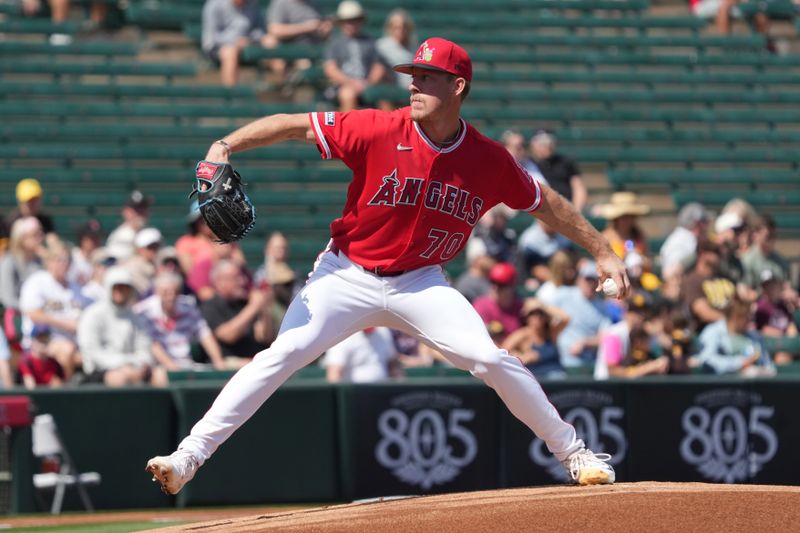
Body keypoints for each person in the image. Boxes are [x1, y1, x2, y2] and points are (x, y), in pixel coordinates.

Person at [146, 37, 629, 495]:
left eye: (427, 76)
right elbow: (295, 123)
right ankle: (188, 458)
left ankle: (576, 454)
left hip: (420, 283)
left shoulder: (488, 160)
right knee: (282, 355)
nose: (414, 84)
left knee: (488, 358)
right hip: (346, 273)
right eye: (412, 75)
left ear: (457, 86)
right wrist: (224, 145)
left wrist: (603, 251)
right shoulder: (378, 126)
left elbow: (546, 204)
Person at [78, 267, 164, 386]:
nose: (120, 292)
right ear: (109, 288)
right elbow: (93, 353)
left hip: (133, 367)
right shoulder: (92, 315)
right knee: (118, 379)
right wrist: (123, 366)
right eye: (117, 288)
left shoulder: (136, 319)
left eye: (124, 288)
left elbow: (145, 349)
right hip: (100, 371)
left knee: (160, 375)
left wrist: (137, 366)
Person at [135, 272, 227, 372]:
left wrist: (218, 362)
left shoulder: (189, 307)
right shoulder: (145, 312)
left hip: (187, 364)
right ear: (157, 292)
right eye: (165, 292)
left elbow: (205, 335)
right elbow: (152, 344)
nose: (171, 296)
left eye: (175, 292)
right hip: (158, 366)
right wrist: (172, 368)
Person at [19, 241, 85, 380]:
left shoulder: (75, 287)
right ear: (49, 261)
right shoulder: (38, 281)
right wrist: (65, 324)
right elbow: (33, 313)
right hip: (42, 341)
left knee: (86, 356)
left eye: (68, 260)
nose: (64, 263)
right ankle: (65, 395)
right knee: (66, 351)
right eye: (59, 259)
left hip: (75, 343)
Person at [199, 260, 276, 359]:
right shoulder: (210, 306)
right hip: (228, 365)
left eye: (242, 277)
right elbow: (228, 335)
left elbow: (265, 337)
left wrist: (264, 309)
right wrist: (254, 306)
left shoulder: (245, 302)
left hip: (254, 360)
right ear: (220, 281)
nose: (242, 281)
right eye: (236, 278)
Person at [322, 1, 386, 112]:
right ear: (341, 23)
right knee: (348, 94)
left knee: (385, 97)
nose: (351, 24)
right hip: (342, 86)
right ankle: (347, 129)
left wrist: (368, 83)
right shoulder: (335, 43)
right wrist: (351, 83)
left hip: (366, 84)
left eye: (354, 20)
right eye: (347, 21)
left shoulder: (369, 42)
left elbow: (379, 67)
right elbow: (330, 69)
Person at [548, 260, 611, 369]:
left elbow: (605, 337)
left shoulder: (602, 307)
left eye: (594, 280)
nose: (590, 284)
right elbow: (541, 307)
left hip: (590, 363)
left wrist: (585, 343)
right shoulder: (564, 294)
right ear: (579, 280)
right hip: (560, 360)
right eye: (587, 279)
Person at [595, 293, 668, 379]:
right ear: (626, 313)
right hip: (605, 386)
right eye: (635, 312)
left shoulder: (643, 334)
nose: (640, 316)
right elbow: (612, 370)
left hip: (625, 387)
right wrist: (647, 368)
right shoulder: (615, 334)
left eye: (643, 312)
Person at [697, 297, 775, 376]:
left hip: (752, 384)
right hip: (719, 383)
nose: (750, 320)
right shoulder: (713, 331)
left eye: (751, 316)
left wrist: (757, 371)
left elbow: (768, 366)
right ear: (735, 316)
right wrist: (739, 363)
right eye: (746, 316)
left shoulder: (755, 336)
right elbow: (707, 359)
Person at [263, 0, 332, 84]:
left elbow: (322, 36)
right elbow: (274, 30)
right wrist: (306, 27)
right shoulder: (281, 3)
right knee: (269, 42)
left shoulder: (314, 4)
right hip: (289, 49)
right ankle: (284, 85)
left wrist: (324, 31)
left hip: (311, 49)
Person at [202, 0, 267, 87]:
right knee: (230, 52)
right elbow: (212, 37)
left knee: (270, 42)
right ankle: (231, 95)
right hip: (217, 47)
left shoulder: (253, 4)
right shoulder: (214, 4)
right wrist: (235, 41)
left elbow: (260, 30)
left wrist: (250, 39)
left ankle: (286, 86)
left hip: (248, 44)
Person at [501, 298, 568, 379]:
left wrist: (543, 307)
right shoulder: (522, 334)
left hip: (558, 377)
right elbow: (502, 353)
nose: (537, 317)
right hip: (538, 380)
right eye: (532, 313)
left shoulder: (550, 333)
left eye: (540, 313)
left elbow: (565, 318)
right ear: (526, 316)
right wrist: (522, 357)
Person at [682, 241, 736, 333]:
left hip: (735, 327)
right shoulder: (692, 280)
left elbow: (740, 305)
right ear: (702, 253)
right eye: (715, 251)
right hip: (709, 330)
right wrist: (729, 322)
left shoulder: (725, 278)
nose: (719, 254)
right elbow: (703, 312)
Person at [529, 130, 587, 212]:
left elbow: (578, 188)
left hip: (566, 209)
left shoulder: (565, 162)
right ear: (533, 145)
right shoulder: (528, 164)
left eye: (550, 142)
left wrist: (576, 211)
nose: (547, 146)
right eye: (543, 143)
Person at [322, 326, 401, 383]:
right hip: (354, 394)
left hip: (382, 391)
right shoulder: (343, 335)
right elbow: (334, 374)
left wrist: (400, 384)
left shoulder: (383, 331)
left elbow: (393, 364)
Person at [473, 262, 524, 345]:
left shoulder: (520, 306)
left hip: (516, 354)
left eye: (501, 285)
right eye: (493, 282)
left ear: (511, 286)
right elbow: (480, 341)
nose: (495, 288)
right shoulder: (481, 305)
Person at [755, 270, 798, 364]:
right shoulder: (760, 306)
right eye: (767, 285)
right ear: (763, 288)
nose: (772, 288)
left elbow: (791, 325)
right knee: (782, 357)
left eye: (773, 284)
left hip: (788, 342)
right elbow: (763, 329)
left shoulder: (783, 304)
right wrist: (786, 337)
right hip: (772, 345)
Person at [0, 217, 43, 311]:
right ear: (22, 238)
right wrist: (33, 309)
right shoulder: (9, 262)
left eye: (40, 233)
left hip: (39, 315)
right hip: (16, 316)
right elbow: (7, 299)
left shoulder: (41, 260)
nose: (40, 238)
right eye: (35, 235)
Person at [659, 202, 711, 279]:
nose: (707, 225)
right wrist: (697, 255)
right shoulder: (682, 239)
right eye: (704, 222)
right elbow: (669, 273)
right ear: (697, 223)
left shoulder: (686, 237)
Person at [598, 192, 651, 263]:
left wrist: (639, 258)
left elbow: (648, 262)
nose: (628, 220)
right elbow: (602, 263)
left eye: (631, 216)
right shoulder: (606, 237)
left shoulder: (639, 236)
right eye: (624, 217)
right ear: (616, 218)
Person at [375, 8, 416, 90]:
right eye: (397, 27)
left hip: (410, 87)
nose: (401, 31)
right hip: (389, 88)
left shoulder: (414, 47)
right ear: (390, 28)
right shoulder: (381, 46)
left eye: (404, 27)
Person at [5, 178, 56, 243]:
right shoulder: (11, 222)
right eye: (29, 201)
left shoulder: (46, 220)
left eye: (35, 200)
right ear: (20, 201)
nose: (33, 204)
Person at [106, 190, 152, 261]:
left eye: (143, 208)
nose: (140, 213)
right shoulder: (119, 236)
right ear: (125, 212)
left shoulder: (153, 234)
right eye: (136, 210)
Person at [19, 325, 64, 390]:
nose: (43, 344)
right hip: (32, 398)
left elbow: (59, 385)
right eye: (40, 339)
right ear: (33, 341)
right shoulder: (27, 361)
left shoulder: (54, 362)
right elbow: (30, 386)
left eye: (45, 339)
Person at [123, 228, 162, 297]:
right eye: (150, 247)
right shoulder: (133, 266)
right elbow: (146, 291)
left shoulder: (159, 263)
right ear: (140, 248)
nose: (153, 250)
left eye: (156, 247)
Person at [68, 219, 104, 288]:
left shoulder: (102, 257)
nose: (96, 241)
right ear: (82, 239)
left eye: (98, 237)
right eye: (92, 238)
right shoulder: (72, 257)